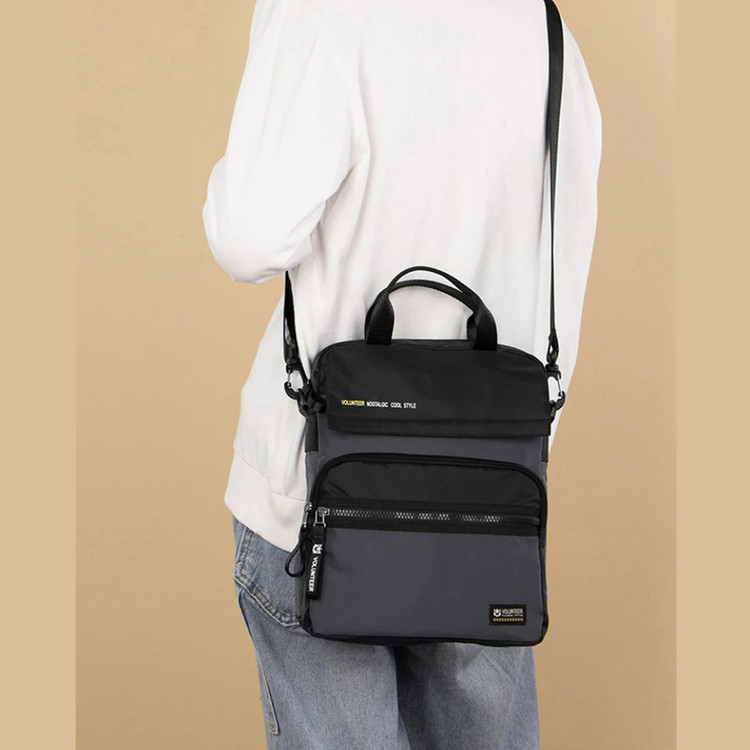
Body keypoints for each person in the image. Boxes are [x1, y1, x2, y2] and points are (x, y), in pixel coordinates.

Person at [203, 0, 601, 747]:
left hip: (317, 497)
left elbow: (246, 237)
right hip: (487, 500)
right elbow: (565, 258)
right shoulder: (546, 31)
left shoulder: (322, 15)